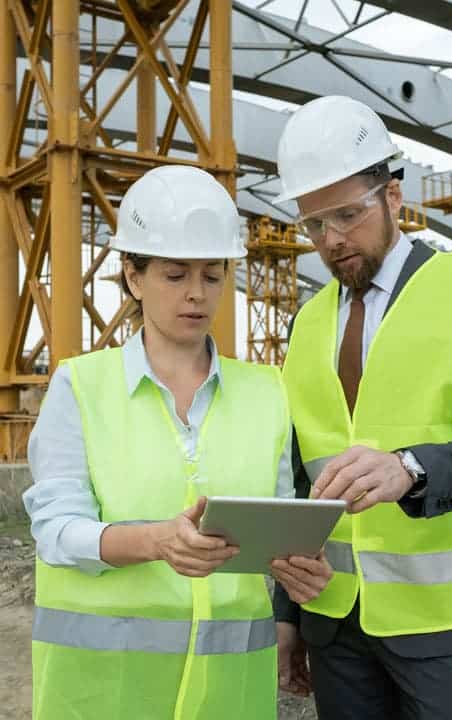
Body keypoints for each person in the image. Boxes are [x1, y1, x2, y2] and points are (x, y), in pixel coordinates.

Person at [23, 165, 332, 720]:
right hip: (107, 693)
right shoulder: (81, 386)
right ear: (133, 277)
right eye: (175, 275)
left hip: (230, 693)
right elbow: (56, 531)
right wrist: (155, 541)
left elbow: (280, 530)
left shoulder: (267, 393)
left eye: (212, 276)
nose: (196, 294)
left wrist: (300, 575)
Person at [272, 96, 452, 719]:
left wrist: (410, 469)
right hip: (334, 621)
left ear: (393, 196)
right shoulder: (306, 324)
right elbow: (297, 475)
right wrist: (287, 613)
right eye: (315, 224)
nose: (333, 239)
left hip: (444, 622)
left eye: (347, 214)